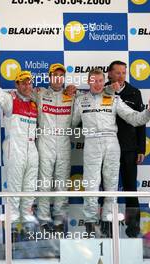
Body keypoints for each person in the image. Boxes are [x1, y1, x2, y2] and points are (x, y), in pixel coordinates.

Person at [72, 69, 150, 237]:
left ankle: (108, 224)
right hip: (91, 142)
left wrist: (148, 112)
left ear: (104, 81)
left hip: (111, 142)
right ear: (89, 81)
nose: (98, 84)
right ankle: (91, 225)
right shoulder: (80, 100)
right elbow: (71, 123)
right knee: (91, 185)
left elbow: (134, 118)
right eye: (94, 81)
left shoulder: (114, 98)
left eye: (101, 80)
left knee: (111, 184)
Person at [0, 55, 38, 233]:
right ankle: (12, 230)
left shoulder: (35, 103)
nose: (27, 86)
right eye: (23, 83)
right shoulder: (10, 100)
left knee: (29, 190)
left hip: (32, 149)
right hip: (15, 148)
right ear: (17, 85)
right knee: (14, 190)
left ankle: (27, 228)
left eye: (29, 83)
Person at [33, 63, 75, 233]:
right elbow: (22, 95)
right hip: (45, 141)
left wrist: (75, 91)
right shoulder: (41, 93)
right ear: (50, 77)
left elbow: (92, 99)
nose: (58, 79)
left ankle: (59, 220)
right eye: (55, 75)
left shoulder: (72, 96)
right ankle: (43, 220)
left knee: (62, 182)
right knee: (44, 182)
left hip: (64, 143)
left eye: (61, 76)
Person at [106, 60, 145, 237]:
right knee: (106, 188)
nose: (121, 76)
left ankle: (133, 228)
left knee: (130, 188)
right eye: (118, 73)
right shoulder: (102, 89)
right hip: (106, 147)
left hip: (129, 148)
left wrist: (141, 149)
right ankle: (106, 226)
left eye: (124, 72)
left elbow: (140, 123)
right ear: (110, 74)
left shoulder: (134, 92)